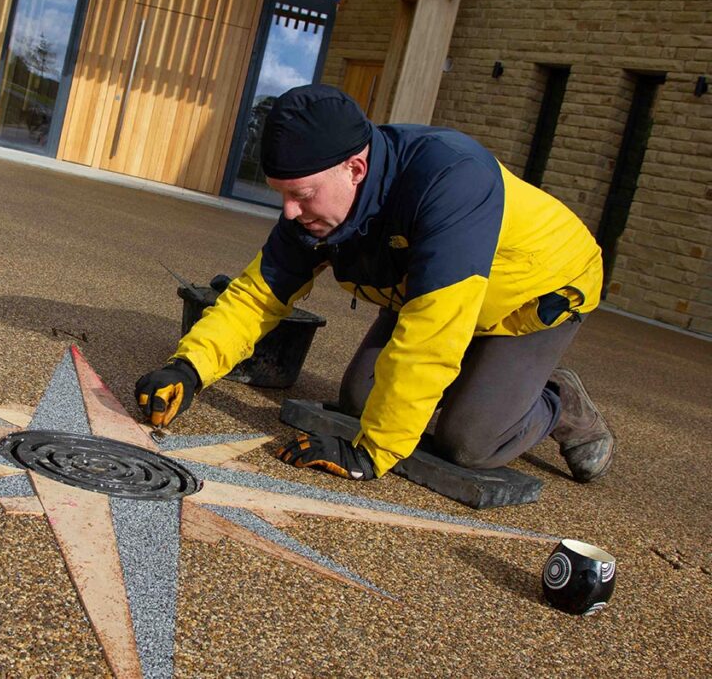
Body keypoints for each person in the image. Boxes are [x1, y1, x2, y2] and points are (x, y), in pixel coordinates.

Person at [135, 84, 614, 483]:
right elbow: (260, 295)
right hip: (430, 294)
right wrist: (188, 368)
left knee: (469, 442)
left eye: (300, 196)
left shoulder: (449, 180)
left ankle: (556, 399)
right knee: (363, 401)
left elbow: (433, 332)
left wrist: (373, 453)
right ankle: (486, 381)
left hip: (534, 294)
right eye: (281, 195)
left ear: (355, 169)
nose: (289, 213)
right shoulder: (316, 204)